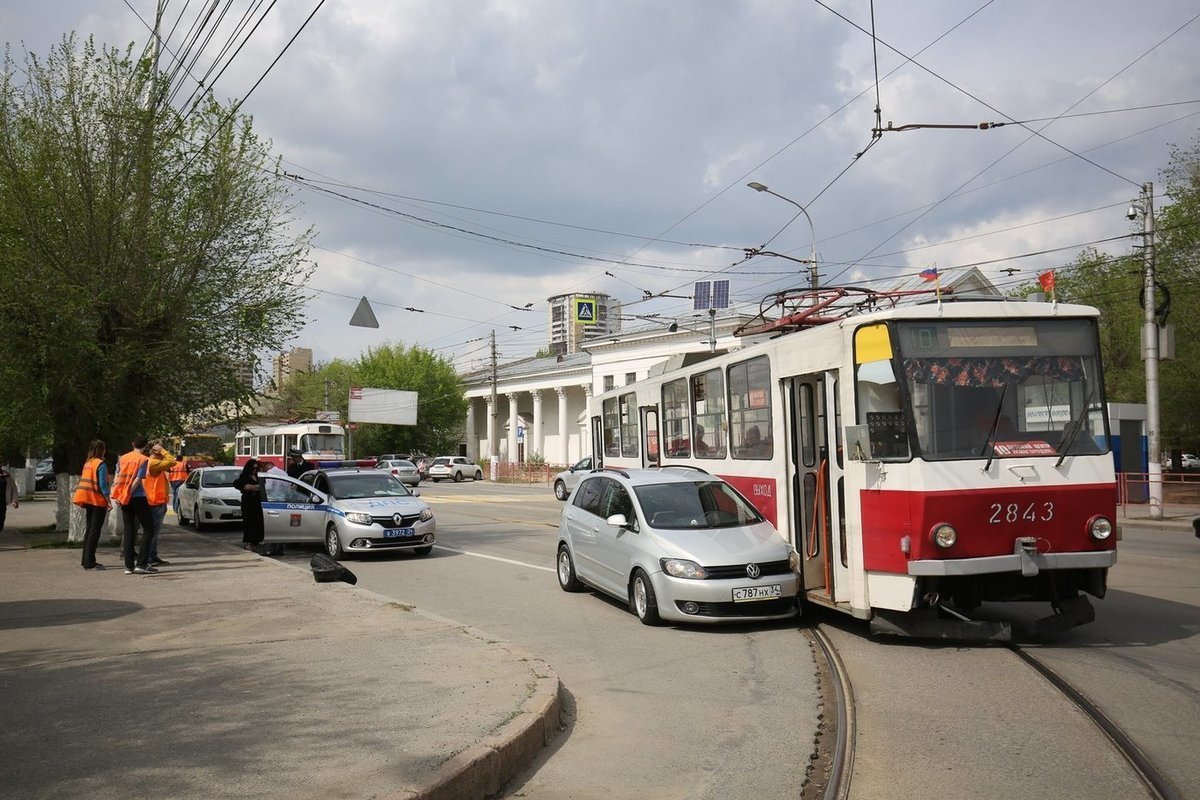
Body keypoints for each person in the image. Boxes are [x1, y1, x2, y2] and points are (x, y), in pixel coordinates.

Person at [111, 435, 159, 575]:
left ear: (132, 444)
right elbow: (137, 480)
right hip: (136, 497)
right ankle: (142, 564)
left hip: (123, 498)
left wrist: (120, 494)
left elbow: (117, 476)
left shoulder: (123, 458)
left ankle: (128, 565)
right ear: (146, 446)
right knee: (149, 528)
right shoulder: (143, 459)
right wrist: (128, 492)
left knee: (129, 530)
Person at [72, 440, 110, 570]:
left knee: (89, 531)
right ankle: (90, 562)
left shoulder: (88, 463)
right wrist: (108, 501)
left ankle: (86, 560)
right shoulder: (101, 464)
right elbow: (103, 486)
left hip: (87, 499)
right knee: (94, 532)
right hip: (97, 500)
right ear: (102, 450)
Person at [144, 442, 177, 567]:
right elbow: (172, 461)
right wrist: (163, 450)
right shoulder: (154, 463)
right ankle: (150, 557)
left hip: (154, 501)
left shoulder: (149, 462)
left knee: (153, 532)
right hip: (155, 502)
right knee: (153, 532)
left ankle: (152, 555)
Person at [235, 459, 268, 552]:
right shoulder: (244, 476)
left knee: (258, 523)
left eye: (256, 468)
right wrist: (258, 487)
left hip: (258, 503)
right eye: (253, 468)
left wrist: (255, 487)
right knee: (249, 523)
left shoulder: (259, 476)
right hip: (248, 503)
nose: (255, 470)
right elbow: (246, 487)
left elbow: (263, 486)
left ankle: (256, 542)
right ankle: (249, 542)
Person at [0, 456, 18, 534]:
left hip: (2, 503)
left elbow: (14, 489)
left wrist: (14, 500)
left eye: (0, 463)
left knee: (0, 523)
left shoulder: (6, 475)